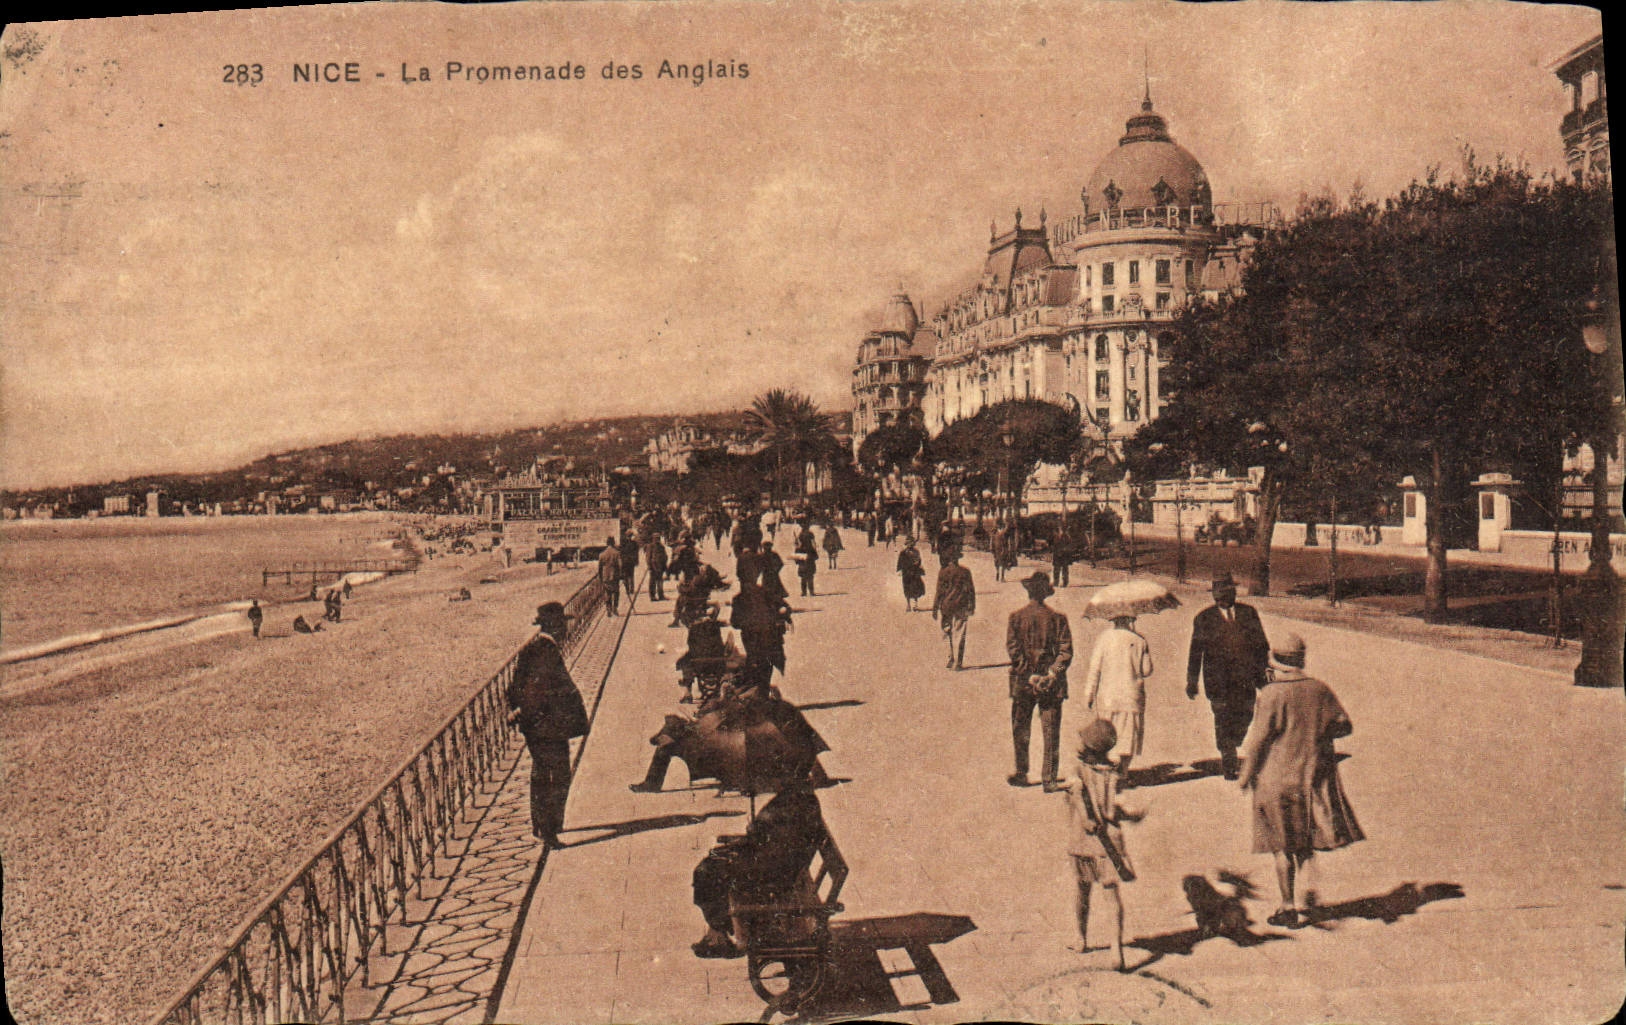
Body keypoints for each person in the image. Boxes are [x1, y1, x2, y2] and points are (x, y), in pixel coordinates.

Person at [1238, 633, 1364, 929]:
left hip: (1275, 779)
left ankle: (1287, 906)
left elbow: (1257, 741)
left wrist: (1245, 775)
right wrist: (1316, 734)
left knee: (1281, 848)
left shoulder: (1271, 694)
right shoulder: (1319, 689)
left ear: (1274, 662)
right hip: (1310, 778)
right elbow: (1344, 725)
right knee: (1305, 842)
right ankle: (1310, 893)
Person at [691, 781, 826, 958]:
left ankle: (718, 934)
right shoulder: (796, 797)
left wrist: (742, 849)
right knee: (708, 870)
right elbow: (770, 837)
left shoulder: (796, 802)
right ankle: (717, 932)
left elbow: (777, 851)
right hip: (773, 866)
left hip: (775, 875)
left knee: (706, 873)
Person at [506, 602, 590, 846]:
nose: (566, 629)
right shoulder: (547, 653)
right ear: (554, 627)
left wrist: (518, 711)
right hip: (548, 726)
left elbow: (514, 687)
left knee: (541, 773)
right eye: (562, 624)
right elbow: (539, 692)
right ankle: (549, 829)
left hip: (536, 726)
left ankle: (539, 825)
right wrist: (539, 716)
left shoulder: (531, 649)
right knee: (558, 776)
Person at [1060, 720, 1137, 971]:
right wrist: (1131, 815)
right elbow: (1116, 809)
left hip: (1083, 841)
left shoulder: (1077, 770)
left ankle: (1081, 938)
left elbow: (1077, 794)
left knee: (1082, 891)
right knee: (1111, 895)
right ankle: (1117, 950)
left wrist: (1085, 819)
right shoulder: (1114, 774)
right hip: (1109, 843)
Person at [1186, 572, 1271, 780]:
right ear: (1215, 595)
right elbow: (1196, 652)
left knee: (1245, 716)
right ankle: (1228, 758)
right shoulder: (1204, 618)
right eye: (1220, 592)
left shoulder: (1248, 613)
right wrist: (1192, 680)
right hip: (1218, 683)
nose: (1225, 595)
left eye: (1228, 590)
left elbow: (1261, 645)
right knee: (1222, 718)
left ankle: (1233, 742)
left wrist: (1264, 673)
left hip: (1246, 679)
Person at [1006, 571, 1073, 789]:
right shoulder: (1058, 619)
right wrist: (1052, 673)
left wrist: (1029, 674)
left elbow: (1014, 651)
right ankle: (1049, 778)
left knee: (1021, 728)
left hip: (1023, 682)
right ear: (1046, 594)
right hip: (1052, 684)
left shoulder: (1016, 618)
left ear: (1028, 593)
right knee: (1051, 730)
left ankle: (1021, 772)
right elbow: (1066, 652)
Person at [1082, 615, 1154, 783]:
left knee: (1106, 734)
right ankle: (1123, 772)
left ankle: (1104, 771)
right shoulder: (1139, 639)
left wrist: (1089, 694)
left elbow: (1095, 669)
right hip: (1131, 696)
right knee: (1129, 734)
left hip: (1108, 696)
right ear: (1131, 619)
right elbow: (1147, 670)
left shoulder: (1104, 638)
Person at [932, 549, 976, 670]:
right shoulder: (965, 572)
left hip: (946, 606)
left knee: (947, 632)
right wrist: (972, 606)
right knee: (960, 633)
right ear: (958, 558)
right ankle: (958, 662)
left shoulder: (943, 572)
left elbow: (939, 592)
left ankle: (950, 658)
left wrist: (935, 608)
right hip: (961, 605)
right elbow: (971, 590)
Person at [896, 536, 926, 611]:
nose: (910, 544)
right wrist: (900, 570)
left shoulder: (916, 551)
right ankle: (908, 604)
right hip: (906, 573)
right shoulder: (903, 552)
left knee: (915, 588)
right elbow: (900, 562)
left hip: (914, 572)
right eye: (908, 542)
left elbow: (919, 560)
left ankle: (915, 604)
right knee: (907, 589)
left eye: (911, 542)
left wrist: (917, 564)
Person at [597, 538, 622, 617]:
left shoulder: (602, 554)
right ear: (613, 543)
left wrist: (600, 577)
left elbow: (599, 568)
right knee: (616, 592)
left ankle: (608, 608)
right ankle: (615, 607)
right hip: (614, 576)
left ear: (607, 543)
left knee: (607, 593)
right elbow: (620, 565)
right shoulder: (617, 553)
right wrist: (621, 575)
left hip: (605, 577)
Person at [795, 528, 819, 597]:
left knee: (803, 577)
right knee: (810, 577)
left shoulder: (799, 548)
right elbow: (816, 557)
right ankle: (811, 592)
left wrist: (798, 562)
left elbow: (796, 557)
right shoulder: (811, 548)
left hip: (802, 565)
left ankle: (803, 592)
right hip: (810, 563)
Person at [645, 535, 669, 602]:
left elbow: (665, 556)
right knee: (652, 582)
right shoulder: (650, 546)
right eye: (656, 538)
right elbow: (648, 557)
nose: (657, 540)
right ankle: (652, 596)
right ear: (653, 539)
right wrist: (649, 565)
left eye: (658, 538)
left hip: (660, 566)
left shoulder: (661, 547)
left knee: (660, 581)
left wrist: (665, 565)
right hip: (653, 566)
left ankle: (661, 595)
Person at [619, 534, 640, 604]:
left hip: (625, 562)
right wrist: (636, 561)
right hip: (631, 562)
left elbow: (621, 553)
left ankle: (628, 589)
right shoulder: (634, 543)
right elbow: (636, 553)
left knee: (626, 576)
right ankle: (631, 589)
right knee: (631, 575)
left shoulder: (623, 544)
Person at [1052, 522, 1073, 588]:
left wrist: (1063, 550)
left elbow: (1069, 545)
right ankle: (1056, 582)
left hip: (1064, 555)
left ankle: (1065, 582)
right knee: (1056, 569)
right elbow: (1054, 545)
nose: (1060, 530)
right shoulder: (1056, 536)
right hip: (1057, 555)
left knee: (1064, 569)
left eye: (1060, 528)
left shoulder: (1066, 536)